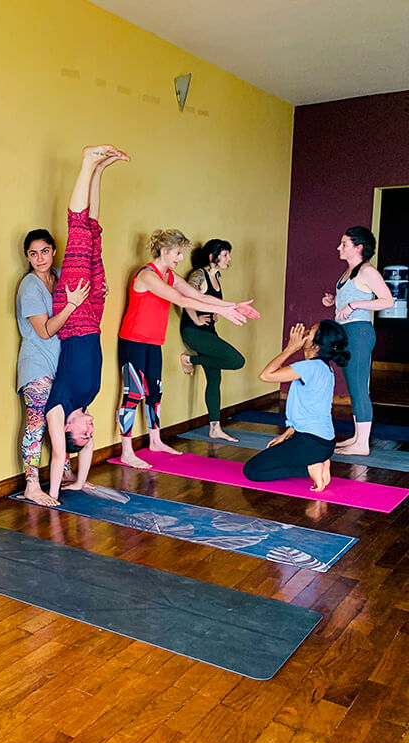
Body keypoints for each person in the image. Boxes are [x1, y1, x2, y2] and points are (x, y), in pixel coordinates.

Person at [116, 229, 257, 469]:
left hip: (153, 342)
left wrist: (233, 305)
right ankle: (126, 451)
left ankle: (155, 440)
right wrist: (222, 311)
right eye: (178, 253)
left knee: (155, 392)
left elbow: (196, 294)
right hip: (134, 340)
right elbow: (180, 300)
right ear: (164, 251)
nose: (181, 258)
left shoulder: (169, 275)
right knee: (133, 394)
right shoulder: (147, 275)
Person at [39, 145, 129, 505]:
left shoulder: (58, 407)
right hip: (93, 316)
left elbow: (62, 455)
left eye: (84, 432)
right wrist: (80, 483)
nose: (91, 429)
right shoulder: (86, 400)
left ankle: (87, 162)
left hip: (73, 315)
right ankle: (99, 172)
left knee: (77, 235)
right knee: (94, 235)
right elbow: (85, 449)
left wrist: (55, 492)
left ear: (66, 430)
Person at [15, 228, 87, 505]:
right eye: (33, 253)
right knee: (36, 426)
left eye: (44, 251)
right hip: (36, 365)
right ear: (28, 257)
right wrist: (70, 306)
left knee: (63, 423)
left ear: (53, 250)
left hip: (61, 365)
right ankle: (31, 485)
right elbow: (44, 331)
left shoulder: (59, 276)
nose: (40, 258)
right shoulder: (29, 286)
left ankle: (66, 473)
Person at [244, 321, 350, 491]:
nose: (304, 333)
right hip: (324, 442)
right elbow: (310, 410)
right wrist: (286, 434)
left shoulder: (309, 367)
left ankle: (310, 466)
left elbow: (266, 375)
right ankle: (318, 460)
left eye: (309, 333)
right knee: (274, 458)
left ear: (316, 345)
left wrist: (290, 349)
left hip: (311, 443)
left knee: (252, 471)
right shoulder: (325, 368)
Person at [321, 226, 394, 456]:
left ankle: (362, 445)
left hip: (359, 333)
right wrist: (334, 300)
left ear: (359, 247)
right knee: (353, 387)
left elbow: (387, 301)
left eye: (344, 244)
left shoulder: (367, 271)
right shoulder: (349, 272)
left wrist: (354, 305)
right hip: (346, 333)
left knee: (359, 387)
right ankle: (357, 437)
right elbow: (353, 297)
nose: (339, 247)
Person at [179, 239, 246, 441]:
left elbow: (208, 302)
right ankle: (189, 360)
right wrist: (196, 318)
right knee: (237, 361)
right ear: (212, 256)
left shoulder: (216, 276)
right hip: (194, 331)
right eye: (225, 254)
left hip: (209, 330)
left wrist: (214, 314)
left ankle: (214, 427)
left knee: (215, 378)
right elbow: (185, 298)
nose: (229, 259)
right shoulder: (198, 275)